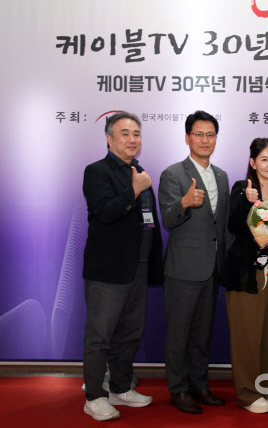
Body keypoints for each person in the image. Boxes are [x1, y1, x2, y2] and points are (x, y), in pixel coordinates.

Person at [82, 112, 162, 421]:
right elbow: (105, 212)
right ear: (109, 139)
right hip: (108, 270)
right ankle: (94, 396)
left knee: (129, 333)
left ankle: (119, 387)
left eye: (136, 134)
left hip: (138, 267)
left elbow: (148, 221)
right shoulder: (97, 171)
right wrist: (135, 190)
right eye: (125, 133)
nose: (132, 139)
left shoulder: (139, 171)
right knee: (100, 337)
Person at [158, 110, 230, 414]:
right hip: (183, 270)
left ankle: (200, 384)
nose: (205, 140)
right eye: (198, 134)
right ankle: (178, 389)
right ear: (187, 138)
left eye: (210, 134)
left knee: (202, 334)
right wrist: (184, 203)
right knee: (179, 334)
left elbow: (222, 225)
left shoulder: (222, 176)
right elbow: (167, 218)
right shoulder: (172, 174)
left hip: (212, 268)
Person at [223, 138, 268, 414]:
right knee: (247, 336)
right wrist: (247, 201)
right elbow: (233, 225)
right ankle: (248, 393)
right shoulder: (242, 189)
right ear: (253, 163)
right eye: (264, 159)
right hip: (247, 274)